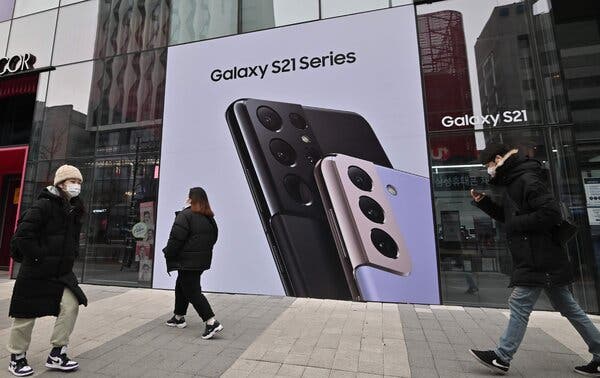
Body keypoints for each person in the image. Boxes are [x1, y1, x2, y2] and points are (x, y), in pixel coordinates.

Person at [468, 143, 600, 376]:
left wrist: (514, 225)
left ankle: (502, 356)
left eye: (489, 165)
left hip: (539, 256)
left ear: (498, 159)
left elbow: (550, 213)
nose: (488, 170)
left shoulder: (527, 179)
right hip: (538, 255)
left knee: (519, 304)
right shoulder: (515, 182)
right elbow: (509, 217)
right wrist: (484, 203)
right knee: (568, 307)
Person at [7, 165, 88, 376]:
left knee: (71, 306)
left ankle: (57, 353)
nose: (76, 186)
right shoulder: (43, 206)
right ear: (60, 184)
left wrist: (72, 253)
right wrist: (38, 257)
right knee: (25, 314)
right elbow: (23, 236)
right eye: (72, 181)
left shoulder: (75, 209)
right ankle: (17, 357)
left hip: (61, 272)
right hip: (36, 270)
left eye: (79, 182)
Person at [162, 187, 222, 339]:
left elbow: (176, 238)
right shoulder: (209, 218)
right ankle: (178, 317)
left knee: (192, 291)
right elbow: (214, 238)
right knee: (182, 285)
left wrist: (168, 252)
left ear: (190, 198)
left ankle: (211, 321)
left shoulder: (185, 215)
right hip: (200, 261)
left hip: (187, 261)